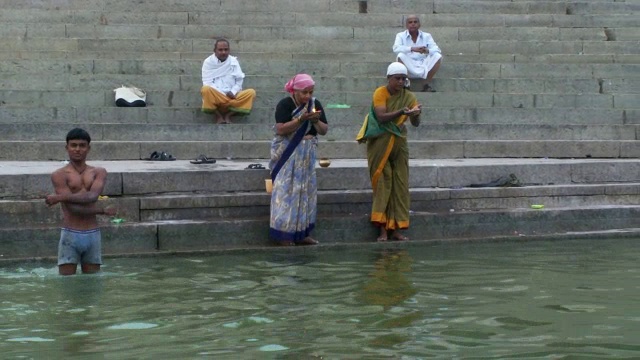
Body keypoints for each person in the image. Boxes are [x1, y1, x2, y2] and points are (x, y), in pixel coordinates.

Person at [356, 62, 421, 242]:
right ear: (388, 79)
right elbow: (381, 117)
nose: (400, 82)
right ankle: (382, 230)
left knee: (400, 184)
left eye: (403, 79)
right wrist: (402, 111)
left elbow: (415, 123)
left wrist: (415, 115)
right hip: (380, 142)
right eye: (397, 78)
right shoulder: (380, 93)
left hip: (399, 142)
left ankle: (397, 229)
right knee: (383, 184)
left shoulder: (409, 96)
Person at [45, 128, 116, 275]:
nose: (78, 149)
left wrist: (60, 198)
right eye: (74, 145)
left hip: (93, 234)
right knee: (67, 283)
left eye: (82, 145)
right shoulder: (59, 175)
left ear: (88, 148)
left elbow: (92, 197)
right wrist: (102, 210)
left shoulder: (99, 172)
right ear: (67, 148)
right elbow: (73, 209)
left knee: (92, 283)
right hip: (71, 233)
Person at [269, 74, 329, 246]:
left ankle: (302, 234)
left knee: (304, 193)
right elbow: (280, 129)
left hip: (306, 156)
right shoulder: (285, 104)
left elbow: (324, 130)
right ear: (295, 91)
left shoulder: (314, 104)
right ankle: (284, 235)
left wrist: (316, 121)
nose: (307, 96)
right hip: (288, 153)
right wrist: (300, 119)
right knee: (286, 193)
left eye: (310, 92)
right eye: (304, 92)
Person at [201, 38, 256, 124]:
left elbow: (239, 80)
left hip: (232, 95)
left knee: (251, 92)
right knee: (206, 89)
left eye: (226, 50)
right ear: (214, 50)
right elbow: (207, 82)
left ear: (229, 50)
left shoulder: (233, 61)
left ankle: (228, 115)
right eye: (220, 50)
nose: (223, 52)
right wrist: (225, 94)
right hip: (218, 94)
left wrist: (233, 92)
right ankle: (218, 116)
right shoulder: (208, 62)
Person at [392, 14, 443, 92]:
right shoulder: (400, 35)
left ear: (419, 25)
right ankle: (406, 84)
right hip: (408, 62)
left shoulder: (427, 36)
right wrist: (412, 49)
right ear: (406, 25)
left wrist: (427, 50)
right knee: (400, 55)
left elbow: (437, 49)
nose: (413, 24)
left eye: (415, 22)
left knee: (437, 56)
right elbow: (396, 48)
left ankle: (426, 84)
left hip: (424, 62)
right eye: (410, 22)